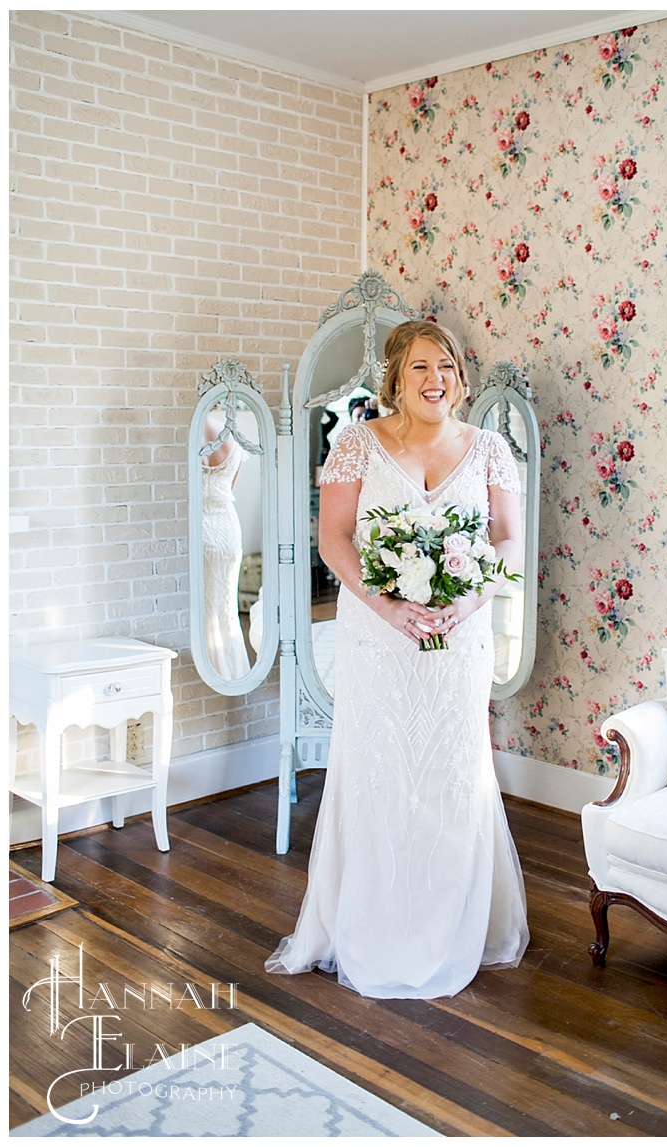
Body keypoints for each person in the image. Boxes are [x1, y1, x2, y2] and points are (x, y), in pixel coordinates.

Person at [266, 318, 530, 999]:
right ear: (394, 378)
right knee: (380, 767)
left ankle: (452, 922)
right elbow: (335, 539)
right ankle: (374, 920)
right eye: (418, 367)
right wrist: (389, 608)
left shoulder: (491, 449)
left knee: (450, 771)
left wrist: (466, 603)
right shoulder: (356, 443)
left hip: (459, 637)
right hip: (376, 638)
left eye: (444, 365)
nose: (434, 378)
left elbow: (507, 542)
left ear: (460, 377)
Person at [200, 409, 252, 680]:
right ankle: (234, 672)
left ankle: (209, 671)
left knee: (205, 606)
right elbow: (230, 488)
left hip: (199, 527)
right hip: (229, 529)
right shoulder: (230, 432)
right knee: (226, 606)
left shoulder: (188, 432)